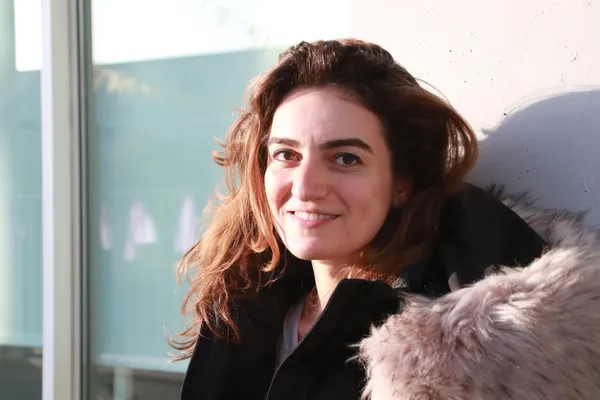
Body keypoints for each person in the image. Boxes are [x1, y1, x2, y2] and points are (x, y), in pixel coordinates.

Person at [173, 39, 600, 399]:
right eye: (286, 154)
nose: (304, 187)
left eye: (345, 158)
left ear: (401, 183)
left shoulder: (443, 354)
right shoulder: (240, 312)